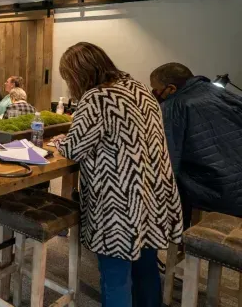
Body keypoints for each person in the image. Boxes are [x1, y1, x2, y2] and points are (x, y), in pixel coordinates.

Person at [52, 42, 182, 307]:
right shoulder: (141, 90)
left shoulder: (97, 97)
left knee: (115, 275)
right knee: (146, 266)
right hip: (152, 195)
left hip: (118, 203)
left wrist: (59, 141)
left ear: (78, 74)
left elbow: (74, 149)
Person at [150, 62, 242, 222]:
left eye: (156, 90)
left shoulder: (173, 107)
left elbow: (169, 160)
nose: (154, 94)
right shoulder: (221, 93)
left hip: (214, 192)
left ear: (171, 89)